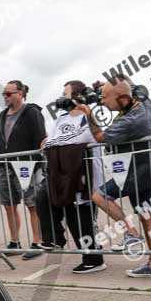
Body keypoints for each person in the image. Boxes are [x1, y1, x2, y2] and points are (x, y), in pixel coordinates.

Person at [92, 75, 151, 278]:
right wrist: (106, 86)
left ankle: (131, 234)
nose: (102, 102)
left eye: (105, 98)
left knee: (99, 196)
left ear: (122, 97)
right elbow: (131, 85)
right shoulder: (141, 97)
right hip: (150, 164)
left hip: (141, 168)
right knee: (147, 214)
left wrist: (86, 113)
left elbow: (100, 137)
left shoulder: (131, 119)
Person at [36, 81, 106, 274]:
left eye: (65, 93)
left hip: (85, 174)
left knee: (81, 217)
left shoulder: (89, 115)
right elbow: (50, 141)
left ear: (76, 96)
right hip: (64, 174)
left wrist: (51, 142)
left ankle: (93, 258)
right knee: (43, 196)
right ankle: (54, 239)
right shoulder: (60, 119)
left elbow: (83, 138)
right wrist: (51, 142)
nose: (62, 97)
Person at [0, 80, 47, 259]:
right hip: (4, 167)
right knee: (9, 205)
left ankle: (37, 242)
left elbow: (41, 138)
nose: (5, 97)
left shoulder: (31, 112)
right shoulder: (2, 115)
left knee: (32, 205)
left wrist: (37, 165)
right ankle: (14, 242)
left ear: (20, 94)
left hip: (26, 167)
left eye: (9, 93)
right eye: (4, 94)